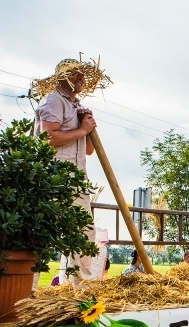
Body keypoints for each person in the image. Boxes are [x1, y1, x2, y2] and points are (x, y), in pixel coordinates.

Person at [32, 58, 111, 288]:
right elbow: (49, 138)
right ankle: (28, 290)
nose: (81, 79)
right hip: (54, 177)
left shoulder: (77, 107)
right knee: (41, 233)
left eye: (82, 75)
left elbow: (88, 150)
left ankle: (83, 289)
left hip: (76, 178)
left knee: (84, 233)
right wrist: (81, 129)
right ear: (63, 77)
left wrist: (88, 127)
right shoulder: (54, 100)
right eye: (76, 74)